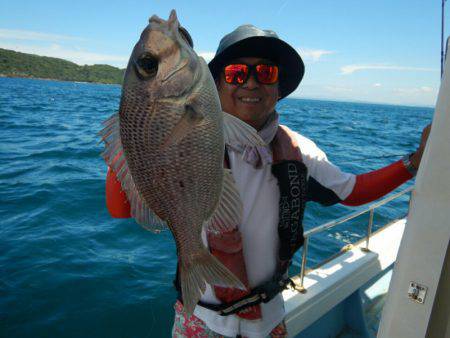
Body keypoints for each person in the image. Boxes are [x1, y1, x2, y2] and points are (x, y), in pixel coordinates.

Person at [105, 24, 431, 338]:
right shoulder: (185, 136)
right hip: (198, 319)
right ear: (214, 83)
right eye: (235, 73)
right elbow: (120, 209)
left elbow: (353, 192)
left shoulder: (298, 151)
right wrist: (140, 125)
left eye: (266, 73)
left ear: (278, 89)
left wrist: (413, 163)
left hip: (269, 322)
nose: (250, 83)